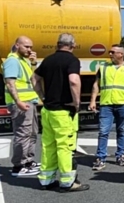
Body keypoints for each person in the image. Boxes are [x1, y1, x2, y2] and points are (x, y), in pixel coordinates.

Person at [34, 33, 89, 192]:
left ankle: (46, 180)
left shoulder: (48, 60)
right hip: (63, 112)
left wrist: (42, 96)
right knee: (65, 147)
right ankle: (68, 182)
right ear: (73, 45)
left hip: (48, 110)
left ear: (57, 44)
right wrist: (76, 102)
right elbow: (73, 81)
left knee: (48, 145)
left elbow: (34, 79)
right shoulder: (72, 60)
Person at [88, 44, 124, 170]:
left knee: (121, 131)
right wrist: (93, 100)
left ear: (121, 54)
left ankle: (120, 155)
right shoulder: (104, 67)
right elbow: (96, 84)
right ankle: (100, 158)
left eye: (113, 52)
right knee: (103, 131)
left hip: (123, 103)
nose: (110, 54)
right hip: (106, 104)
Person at [3, 36, 40, 177]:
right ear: (17, 45)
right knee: (22, 134)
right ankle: (19, 166)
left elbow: (31, 79)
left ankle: (28, 161)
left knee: (32, 133)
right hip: (21, 103)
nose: (29, 49)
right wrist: (18, 101)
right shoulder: (12, 61)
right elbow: (10, 83)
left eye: (31, 47)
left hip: (29, 101)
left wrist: (34, 63)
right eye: (26, 46)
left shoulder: (23, 61)